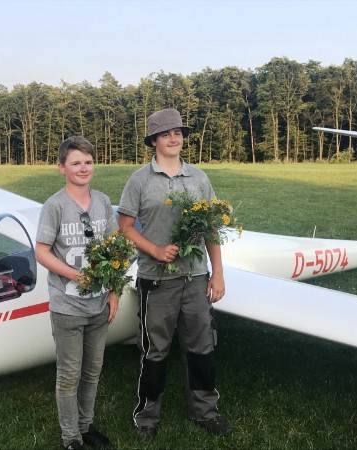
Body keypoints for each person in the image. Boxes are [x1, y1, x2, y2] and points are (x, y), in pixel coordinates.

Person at [118, 108, 233, 439]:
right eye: (166, 133)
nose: (174, 138)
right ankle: (147, 418)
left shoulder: (198, 178)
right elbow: (125, 225)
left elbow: (211, 227)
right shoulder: (139, 180)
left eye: (178, 132)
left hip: (195, 278)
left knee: (201, 347)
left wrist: (217, 273)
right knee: (155, 351)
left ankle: (205, 411)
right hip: (156, 280)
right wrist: (154, 250)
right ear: (154, 140)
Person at [35, 136, 117, 450]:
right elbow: (42, 252)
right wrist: (74, 275)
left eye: (88, 162)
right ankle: (71, 438)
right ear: (62, 168)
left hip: (98, 305)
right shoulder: (55, 206)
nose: (83, 168)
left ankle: (85, 427)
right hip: (67, 305)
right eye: (76, 163)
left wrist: (114, 291)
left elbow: (114, 251)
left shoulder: (103, 202)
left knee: (92, 371)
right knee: (69, 374)